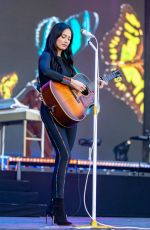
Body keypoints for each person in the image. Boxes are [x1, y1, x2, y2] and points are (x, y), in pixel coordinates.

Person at [38, 22, 105, 226]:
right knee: (65, 154)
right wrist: (69, 82)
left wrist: (95, 86)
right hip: (51, 111)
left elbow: (80, 89)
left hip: (70, 114)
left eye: (69, 38)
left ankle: (52, 206)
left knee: (63, 157)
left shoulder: (69, 62)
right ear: (55, 36)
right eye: (63, 36)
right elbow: (45, 72)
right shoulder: (46, 55)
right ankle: (59, 210)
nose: (66, 40)